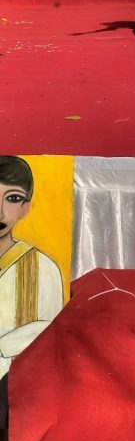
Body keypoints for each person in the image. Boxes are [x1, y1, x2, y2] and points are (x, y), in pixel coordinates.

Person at [0, 156, 64, 381]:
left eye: (12, 198)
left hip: (16, 385)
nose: (0, 212)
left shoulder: (42, 267)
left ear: (25, 208)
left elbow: (50, 333)